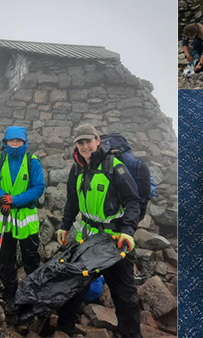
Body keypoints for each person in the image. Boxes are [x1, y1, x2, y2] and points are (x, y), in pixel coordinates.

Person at [56, 124, 142, 338]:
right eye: (80, 142)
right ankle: (64, 328)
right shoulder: (76, 168)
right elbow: (72, 200)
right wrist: (65, 226)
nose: (85, 146)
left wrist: (128, 230)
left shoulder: (115, 166)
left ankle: (131, 335)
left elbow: (133, 200)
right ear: (76, 145)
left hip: (114, 239)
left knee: (125, 294)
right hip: (87, 237)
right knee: (75, 283)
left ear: (97, 141)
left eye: (89, 141)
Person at [0, 126, 45, 317]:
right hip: (5, 219)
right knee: (6, 259)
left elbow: (38, 187)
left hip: (26, 219)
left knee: (32, 259)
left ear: (25, 142)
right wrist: (3, 197)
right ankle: (10, 295)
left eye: (19, 141)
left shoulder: (32, 161)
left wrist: (14, 200)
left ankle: (33, 295)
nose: (15, 144)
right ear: (6, 142)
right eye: (12, 141)